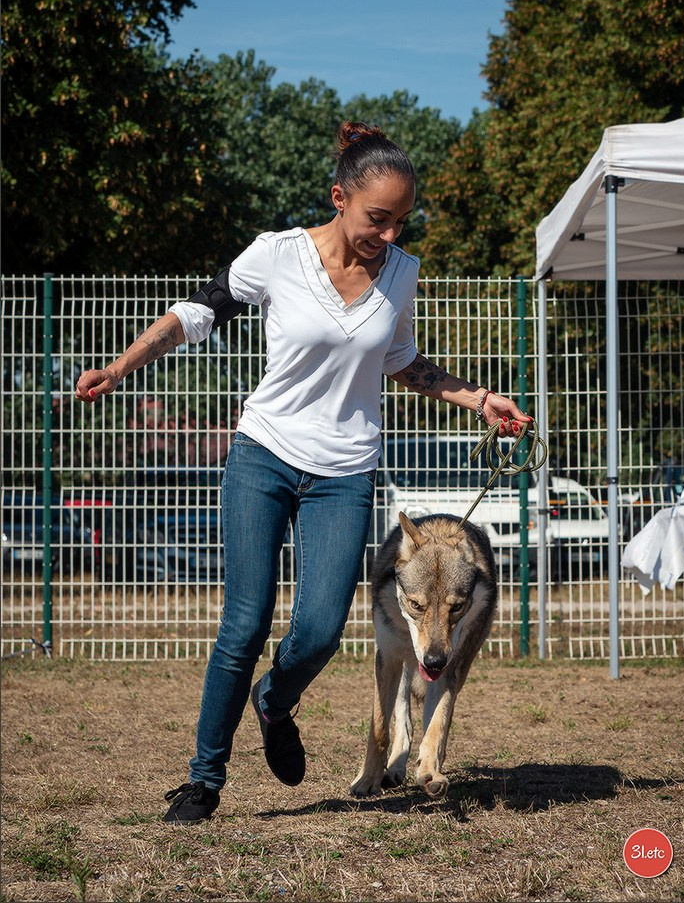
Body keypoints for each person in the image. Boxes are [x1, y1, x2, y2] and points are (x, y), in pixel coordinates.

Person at [75, 122, 531, 824]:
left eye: (401, 220)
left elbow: (403, 362)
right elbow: (197, 312)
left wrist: (479, 399)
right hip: (263, 455)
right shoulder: (278, 254)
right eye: (377, 218)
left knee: (318, 632)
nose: (388, 234)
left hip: (344, 471)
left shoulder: (402, 274)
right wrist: (120, 366)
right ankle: (202, 780)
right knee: (245, 625)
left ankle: (274, 702)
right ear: (339, 196)